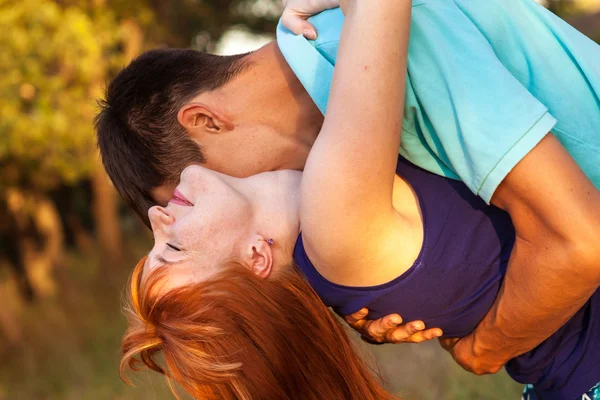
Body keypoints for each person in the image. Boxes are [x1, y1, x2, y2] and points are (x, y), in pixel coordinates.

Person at [97, 0, 600, 389]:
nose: (169, 212)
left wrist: (479, 345)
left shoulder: (359, 49)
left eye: (189, 177)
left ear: (206, 121)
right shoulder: (336, 205)